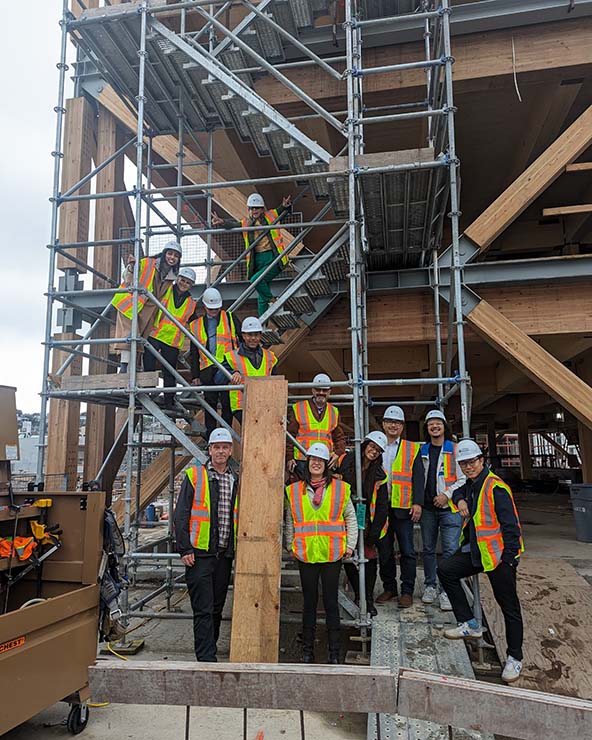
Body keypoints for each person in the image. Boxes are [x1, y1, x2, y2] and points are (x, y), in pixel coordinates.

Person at [437, 439, 524, 684]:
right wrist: (461, 499)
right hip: (477, 553)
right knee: (446, 570)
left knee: (509, 608)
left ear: (481, 461)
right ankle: (469, 622)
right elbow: (460, 490)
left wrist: (509, 560)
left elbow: (511, 527)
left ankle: (515, 657)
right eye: (463, 464)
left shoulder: (496, 487)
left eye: (471, 462)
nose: (468, 467)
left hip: (498, 558)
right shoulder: (472, 484)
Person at [284, 442, 358, 664]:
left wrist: (350, 545)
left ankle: (334, 652)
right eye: (312, 460)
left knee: (331, 602)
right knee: (309, 602)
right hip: (306, 554)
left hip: (332, 554)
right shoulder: (294, 490)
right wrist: (290, 545)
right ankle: (308, 650)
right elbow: (291, 520)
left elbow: (351, 518)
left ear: (326, 465)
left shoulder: (340, 489)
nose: (316, 463)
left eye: (320, 460)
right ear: (307, 463)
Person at [173, 428, 238, 662]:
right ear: (209, 450)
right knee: (203, 609)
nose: (220, 451)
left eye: (224, 447)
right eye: (216, 447)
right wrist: (185, 548)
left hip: (223, 555)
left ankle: (209, 651)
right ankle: (206, 660)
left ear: (230, 451)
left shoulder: (234, 479)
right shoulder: (195, 476)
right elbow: (181, 514)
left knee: (217, 608)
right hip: (199, 555)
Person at [375, 405, 424, 608]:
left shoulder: (412, 448)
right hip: (380, 508)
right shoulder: (375, 446)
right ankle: (389, 588)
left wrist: (418, 503)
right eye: (389, 422)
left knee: (407, 551)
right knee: (384, 551)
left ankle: (407, 591)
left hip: (403, 508)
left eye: (397, 422)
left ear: (402, 426)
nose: (393, 425)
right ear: (384, 424)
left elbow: (419, 478)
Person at [211, 193, 292, 316]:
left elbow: (281, 210)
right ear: (248, 209)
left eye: (257, 208)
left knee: (256, 280)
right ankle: (263, 325)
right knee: (261, 296)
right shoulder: (246, 223)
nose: (254, 211)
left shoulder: (270, 215)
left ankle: (273, 301)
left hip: (274, 257)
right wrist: (222, 222)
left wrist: (285, 206)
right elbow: (233, 225)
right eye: (252, 208)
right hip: (258, 261)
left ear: (262, 208)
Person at [338, 431, 389, 618]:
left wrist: (374, 532)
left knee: (368, 555)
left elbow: (382, 505)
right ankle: (359, 595)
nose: (374, 452)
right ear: (365, 444)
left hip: (365, 516)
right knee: (350, 554)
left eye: (378, 450)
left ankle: (367, 597)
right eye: (372, 447)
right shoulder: (346, 462)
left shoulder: (379, 474)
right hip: (344, 513)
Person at [111, 241, 182, 372]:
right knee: (130, 335)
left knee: (138, 339)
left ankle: (130, 370)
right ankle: (124, 368)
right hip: (130, 303)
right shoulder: (148, 263)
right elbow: (128, 277)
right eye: (170, 253)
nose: (172, 258)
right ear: (164, 253)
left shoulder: (171, 277)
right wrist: (131, 267)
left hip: (147, 310)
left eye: (176, 256)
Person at [419, 409, 465, 611]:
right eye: (431, 424)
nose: (434, 426)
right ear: (427, 428)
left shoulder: (455, 449)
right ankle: (430, 585)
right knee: (428, 549)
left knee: (450, 551)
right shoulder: (423, 450)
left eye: (438, 423)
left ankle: (447, 590)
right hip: (428, 509)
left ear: (444, 426)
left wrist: (447, 494)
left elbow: (463, 479)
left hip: (450, 509)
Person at [144, 267, 198, 410]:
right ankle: (148, 392)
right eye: (182, 280)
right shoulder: (165, 290)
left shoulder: (191, 304)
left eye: (187, 282)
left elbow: (195, 325)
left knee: (170, 372)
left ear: (191, 285)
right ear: (177, 278)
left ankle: (169, 401)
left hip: (172, 341)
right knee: (148, 365)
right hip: (155, 334)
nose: (184, 284)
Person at [190, 287, 239, 438]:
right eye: (211, 309)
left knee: (227, 403)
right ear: (204, 307)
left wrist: (240, 367)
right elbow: (193, 353)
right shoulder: (196, 325)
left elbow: (242, 341)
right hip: (207, 369)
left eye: (216, 308)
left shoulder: (230, 317)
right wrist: (195, 376)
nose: (214, 311)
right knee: (209, 403)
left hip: (227, 367)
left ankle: (226, 434)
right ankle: (211, 434)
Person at [216, 316, 278, 425]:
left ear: (260, 335)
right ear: (243, 336)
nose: (253, 338)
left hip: (264, 404)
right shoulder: (231, 356)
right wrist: (232, 373)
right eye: (249, 335)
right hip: (242, 405)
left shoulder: (270, 357)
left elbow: (276, 382)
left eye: (256, 335)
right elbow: (218, 380)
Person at [286, 373, 346, 472]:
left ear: (329, 391)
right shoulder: (299, 408)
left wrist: (338, 453)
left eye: (325, 390)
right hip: (302, 460)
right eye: (318, 389)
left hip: (324, 459)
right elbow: (289, 436)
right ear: (313, 390)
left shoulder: (334, 411)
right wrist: (289, 457)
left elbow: (339, 437)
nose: (321, 392)